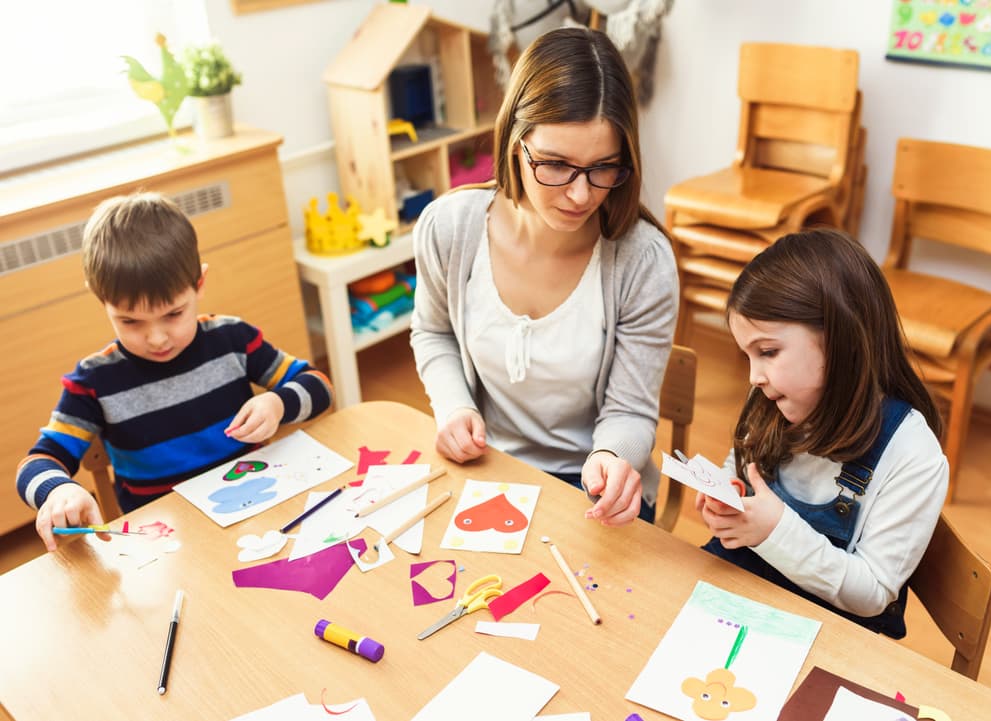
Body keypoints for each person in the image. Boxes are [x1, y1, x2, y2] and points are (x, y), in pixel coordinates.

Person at [410, 27, 678, 526]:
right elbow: (433, 331)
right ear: (514, 142)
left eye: (603, 168)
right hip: (488, 467)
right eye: (555, 165)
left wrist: (613, 459)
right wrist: (453, 408)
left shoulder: (643, 261)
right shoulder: (449, 228)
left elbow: (630, 410)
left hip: (591, 491)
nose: (580, 195)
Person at [16, 193, 333, 551]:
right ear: (101, 300)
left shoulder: (233, 340)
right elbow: (38, 461)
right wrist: (57, 489)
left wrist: (278, 404)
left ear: (199, 283)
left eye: (173, 314)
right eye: (130, 321)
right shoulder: (94, 382)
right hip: (168, 544)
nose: (156, 338)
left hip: (260, 518)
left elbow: (319, 387)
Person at [698, 228, 947, 638]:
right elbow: (741, 464)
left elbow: (873, 592)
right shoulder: (774, 395)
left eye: (768, 352)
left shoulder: (913, 454)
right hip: (740, 599)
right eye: (747, 355)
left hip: (830, 637)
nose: (753, 376)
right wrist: (728, 494)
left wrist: (776, 531)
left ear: (842, 339)